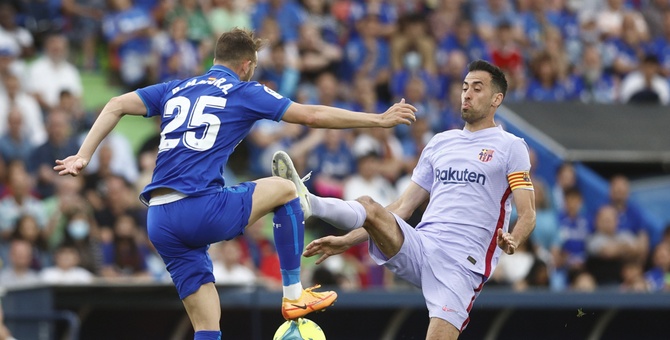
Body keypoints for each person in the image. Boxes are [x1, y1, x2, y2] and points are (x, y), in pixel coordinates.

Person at [53, 28, 417, 340]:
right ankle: (293, 295)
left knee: (207, 326)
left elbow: (115, 103)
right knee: (287, 188)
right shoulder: (243, 91)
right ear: (247, 66)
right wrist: (378, 119)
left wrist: (83, 155)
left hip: (159, 220)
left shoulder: (176, 88)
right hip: (198, 206)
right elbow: (311, 114)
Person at [280, 60, 536, 339]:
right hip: (422, 245)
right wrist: (345, 240)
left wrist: (514, 240)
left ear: (496, 99)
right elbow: (403, 206)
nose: (467, 94)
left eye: (477, 88)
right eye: (464, 88)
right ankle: (309, 203)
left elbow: (528, 214)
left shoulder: (511, 147)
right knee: (369, 205)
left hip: (462, 266)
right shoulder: (440, 142)